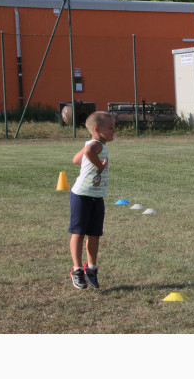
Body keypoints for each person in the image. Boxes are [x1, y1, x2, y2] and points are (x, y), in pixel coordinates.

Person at [68, 111, 115, 289]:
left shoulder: (96, 143)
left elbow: (76, 159)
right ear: (97, 129)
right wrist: (98, 165)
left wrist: (91, 162)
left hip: (96, 197)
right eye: (110, 128)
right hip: (81, 196)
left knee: (95, 234)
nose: (113, 131)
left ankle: (91, 268)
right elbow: (87, 151)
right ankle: (77, 269)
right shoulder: (95, 145)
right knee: (79, 233)